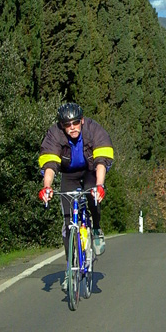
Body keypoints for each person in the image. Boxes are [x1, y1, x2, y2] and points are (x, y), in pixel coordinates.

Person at [38, 102, 114, 291]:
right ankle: (70, 269)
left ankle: (96, 229)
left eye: (75, 123)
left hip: (90, 171)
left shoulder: (94, 130)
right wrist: (47, 187)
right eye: (67, 124)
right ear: (62, 125)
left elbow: (101, 161)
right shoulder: (55, 134)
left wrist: (99, 185)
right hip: (69, 175)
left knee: (93, 197)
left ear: (81, 120)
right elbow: (49, 163)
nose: (72, 128)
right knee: (67, 223)